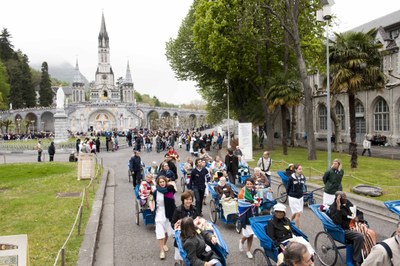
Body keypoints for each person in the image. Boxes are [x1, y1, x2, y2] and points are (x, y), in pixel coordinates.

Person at [328, 192, 366, 266]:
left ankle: (365, 254)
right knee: (359, 236)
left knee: (369, 233)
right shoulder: (333, 207)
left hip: (353, 225)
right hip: (343, 229)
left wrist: (358, 218)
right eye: (343, 197)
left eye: (346, 197)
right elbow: (337, 221)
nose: (345, 199)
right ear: (338, 198)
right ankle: (356, 260)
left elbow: (359, 212)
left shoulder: (347, 203)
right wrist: (338, 207)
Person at [171, 191, 198, 263]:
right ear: (183, 200)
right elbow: (173, 222)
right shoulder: (178, 210)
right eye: (186, 199)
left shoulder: (194, 209)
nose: (189, 201)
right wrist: (176, 225)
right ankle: (181, 262)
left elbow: (197, 219)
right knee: (181, 254)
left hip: (192, 234)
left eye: (190, 199)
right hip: (182, 234)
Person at [153, 176, 176, 260]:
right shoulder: (155, 192)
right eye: (160, 182)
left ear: (166, 182)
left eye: (163, 182)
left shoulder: (170, 190)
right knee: (160, 232)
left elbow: (173, 201)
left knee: (167, 232)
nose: (162, 183)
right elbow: (153, 201)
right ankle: (161, 251)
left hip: (168, 213)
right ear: (158, 183)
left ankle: (164, 244)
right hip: (159, 213)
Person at [238, 177, 259, 259]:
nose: (249, 185)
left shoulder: (254, 191)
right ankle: (242, 240)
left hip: (254, 213)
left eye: (251, 184)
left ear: (253, 184)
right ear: (245, 184)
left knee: (252, 234)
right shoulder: (242, 193)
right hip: (245, 214)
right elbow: (241, 204)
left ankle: (248, 251)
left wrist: (257, 201)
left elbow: (258, 199)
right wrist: (252, 203)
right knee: (247, 234)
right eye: (247, 184)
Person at [287, 164, 305, 229]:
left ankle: (288, 222)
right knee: (298, 214)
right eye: (299, 169)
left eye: (301, 169)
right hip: (293, 198)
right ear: (295, 170)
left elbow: (303, 186)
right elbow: (288, 187)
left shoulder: (303, 177)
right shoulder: (291, 178)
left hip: (300, 197)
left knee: (295, 213)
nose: (301, 170)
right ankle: (299, 230)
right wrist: (289, 194)